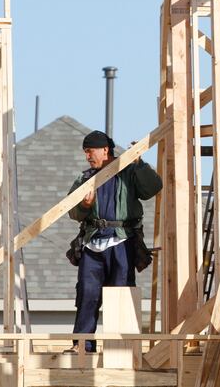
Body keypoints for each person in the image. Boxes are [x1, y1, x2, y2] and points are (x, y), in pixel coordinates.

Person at [64, 130, 162, 353]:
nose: (88, 156)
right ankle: (83, 346)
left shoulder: (128, 171)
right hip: (92, 243)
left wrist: (139, 164)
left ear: (105, 150)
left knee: (121, 294)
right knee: (87, 294)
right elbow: (73, 211)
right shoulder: (86, 178)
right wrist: (85, 206)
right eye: (85, 152)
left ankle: (122, 348)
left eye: (90, 151)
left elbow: (153, 188)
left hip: (122, 241)